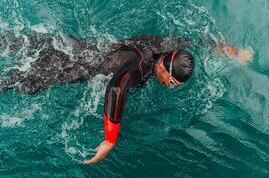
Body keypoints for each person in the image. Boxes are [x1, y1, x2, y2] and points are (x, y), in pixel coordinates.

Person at [0, 33, 253, 164]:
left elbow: (189, 42)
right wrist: (110, 140)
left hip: (77, 46)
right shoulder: (140, 66)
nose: (172, 86)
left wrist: (226, 48)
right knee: (21, 84)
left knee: (15, 43)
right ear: (164, 68)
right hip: (70, 67)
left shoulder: (166, 47)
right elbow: (116, 87)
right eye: (173, 81)